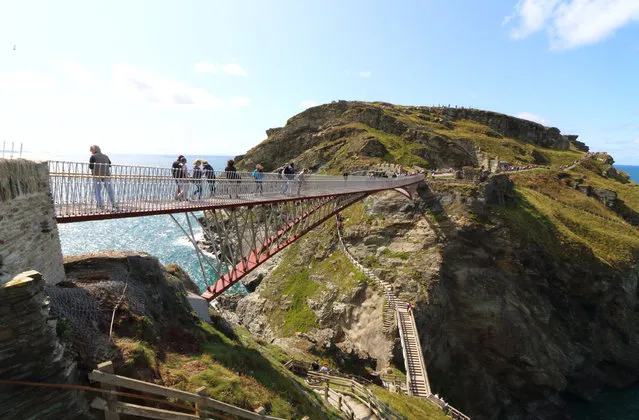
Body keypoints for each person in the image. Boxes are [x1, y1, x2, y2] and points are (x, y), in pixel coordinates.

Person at [89, 145, 117, 210]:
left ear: (95, 150)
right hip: (106, 174)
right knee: (110, 190)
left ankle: (100, 205)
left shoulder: (93, 157)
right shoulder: (106, 156)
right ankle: (114, 204)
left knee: (97, 191)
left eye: (91, 149)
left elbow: (91, 167)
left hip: (97, 175)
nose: (90, 151)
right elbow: (109, 165)